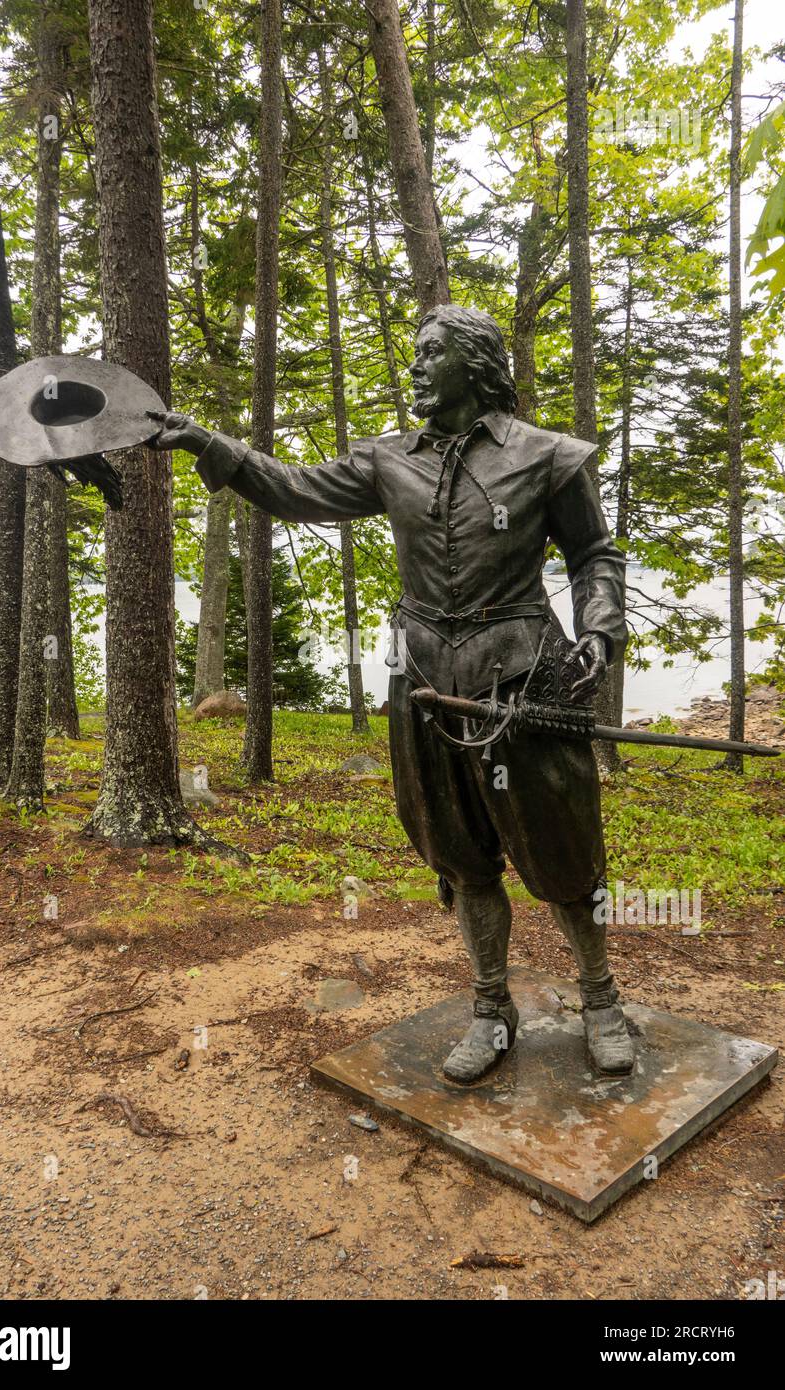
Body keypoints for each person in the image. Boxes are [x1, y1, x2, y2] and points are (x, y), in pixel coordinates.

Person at [149, 305, 633, 1082]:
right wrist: (214, 444)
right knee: (460, 853)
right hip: (424, 680)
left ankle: (602, 999)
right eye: (414, 353)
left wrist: (599, 636)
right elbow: (295, 489)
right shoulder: (387, 460)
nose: (414, 366)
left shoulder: (547, 457)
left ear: (474, 365)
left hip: (523, 675)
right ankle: (489, 1008)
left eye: (431, 353)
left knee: (564, 852)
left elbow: (594, 555)